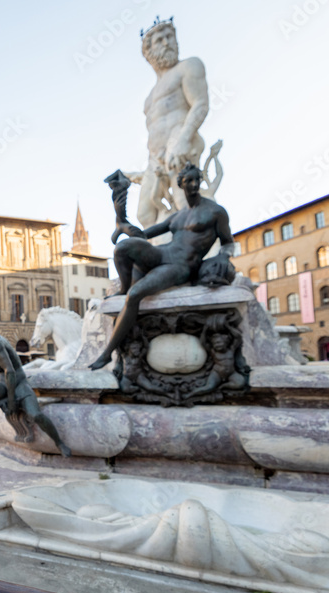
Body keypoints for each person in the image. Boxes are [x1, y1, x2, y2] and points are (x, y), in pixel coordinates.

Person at [89, 163, 235, 370]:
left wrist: (224, 256)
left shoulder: (215, 212)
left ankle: (106, 354)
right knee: (123, 247)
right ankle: (122, 289)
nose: (194, 185)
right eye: (188, 181)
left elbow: (228, 242)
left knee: (136, 294)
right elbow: (143, 235)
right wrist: (121, 218)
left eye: (197, 180)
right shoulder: (177, 216)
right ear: (181, 184)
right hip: (164, 253)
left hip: (182, 265)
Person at [127, 18, 211, 229]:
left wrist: (183, 139)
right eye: (159, 40)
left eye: (169, 37)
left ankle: (199, 254)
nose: (167, 43)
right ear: (148, 53)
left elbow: (200, 103)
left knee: (186, 206)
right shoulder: (149, 98)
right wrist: (144, 171)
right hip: (155, 160)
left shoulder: (188, 66)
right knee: (144, 213)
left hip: (181, 145)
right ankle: (164, 256)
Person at [0, 316, 71, 457]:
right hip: (1, 384)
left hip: (18, 383)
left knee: (36, 415)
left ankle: (59, 443)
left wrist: (11, 401)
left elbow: (9, 371)